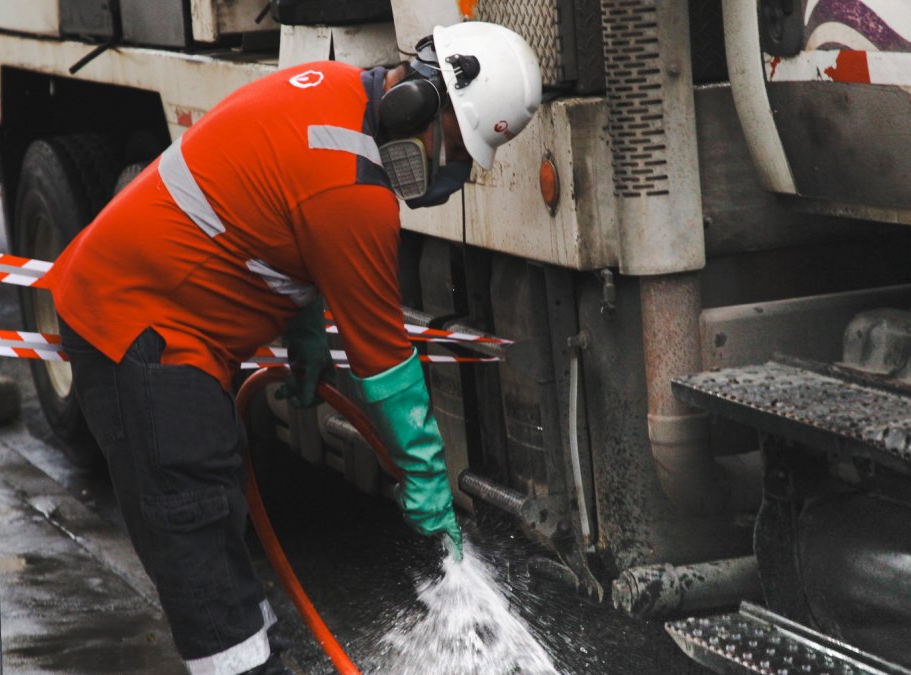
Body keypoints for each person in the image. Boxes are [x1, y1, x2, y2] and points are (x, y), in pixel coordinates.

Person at [42, 21, 541, 675]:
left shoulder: (335, 90)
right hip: (141, 331)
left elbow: (273, 198)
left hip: (145, 313)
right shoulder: (351, 189)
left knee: (214, 527)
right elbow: (385, 358)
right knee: (196, 530)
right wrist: (427, 484)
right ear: (416, 103)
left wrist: (303, 327)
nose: (446, 172)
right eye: (451, 146)